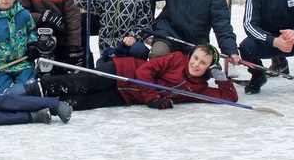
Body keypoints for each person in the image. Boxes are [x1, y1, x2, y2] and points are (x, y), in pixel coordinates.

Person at [38, 44, 237, 111]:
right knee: (81, 83)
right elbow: (144, 72)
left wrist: (220, 77)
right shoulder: (177, 59)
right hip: (122, 71)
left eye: (203, 63)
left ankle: (42, 105)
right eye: (196, 58)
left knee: (84, 102)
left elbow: (230, 98)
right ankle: (34, 89)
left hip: (126, 96)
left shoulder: (199, 89)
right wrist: (153, 99)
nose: (196, 64)